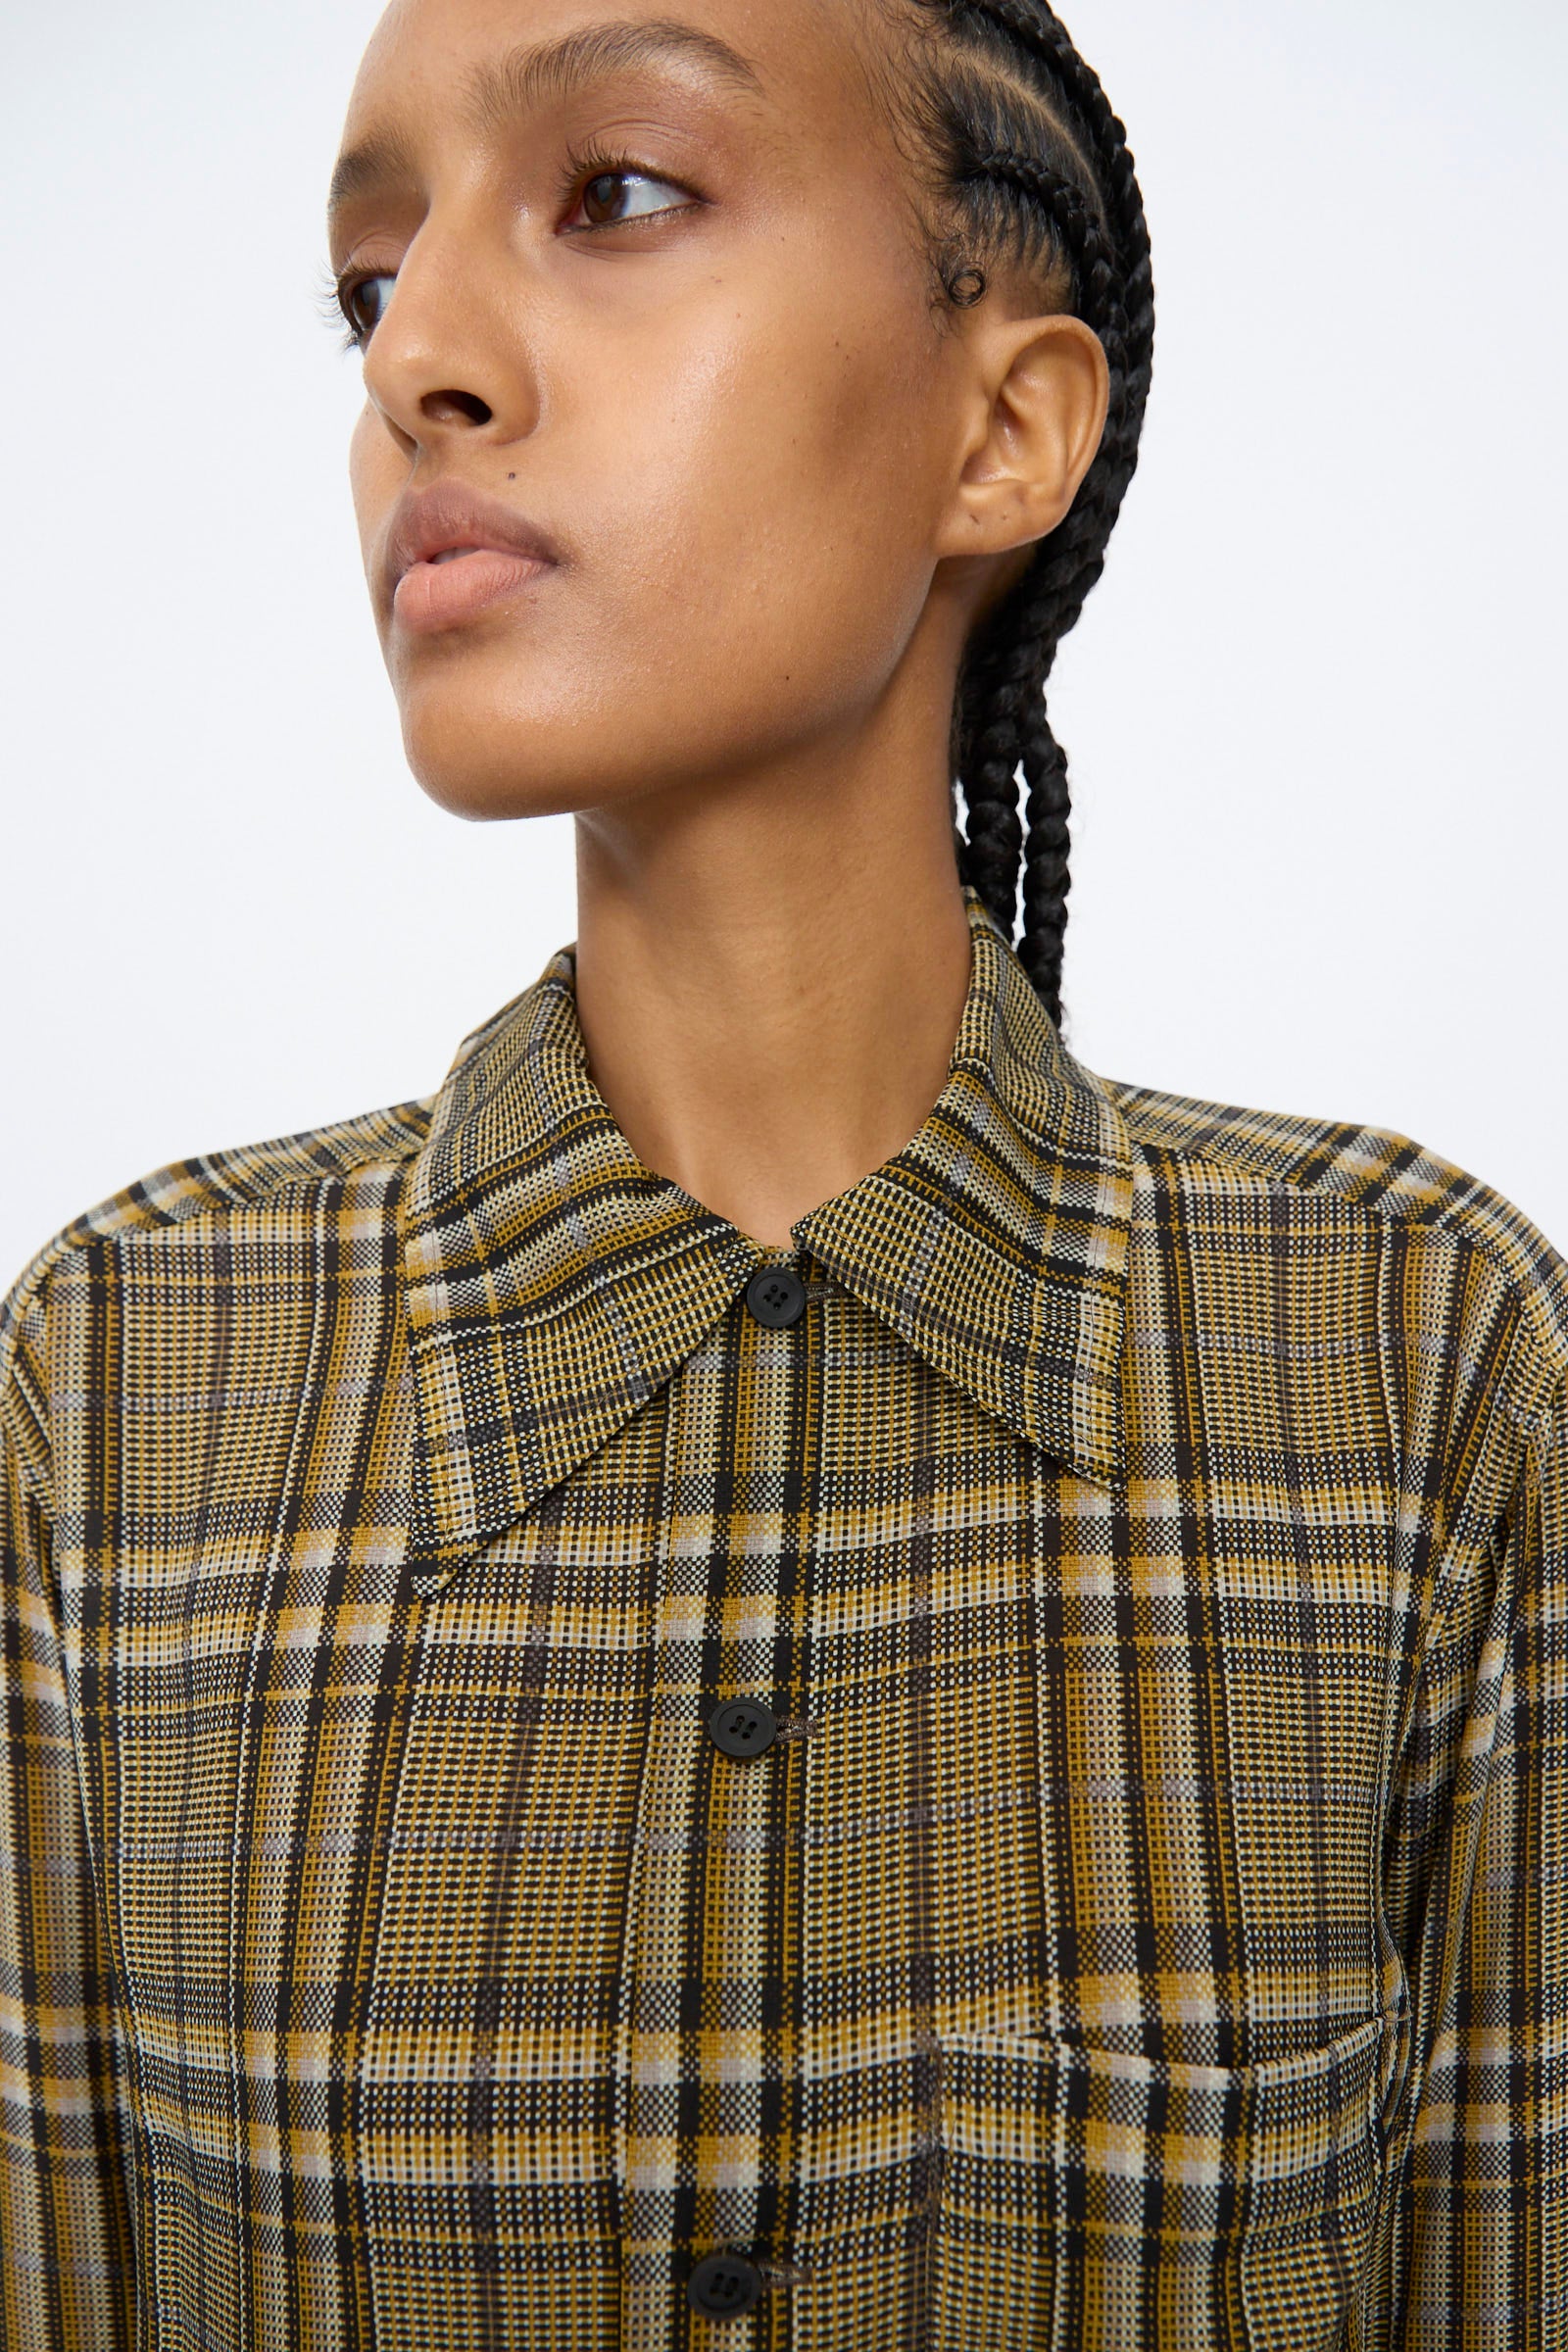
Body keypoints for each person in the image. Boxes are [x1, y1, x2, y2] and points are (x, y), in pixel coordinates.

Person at [1, 0, 1562, 2345]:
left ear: (1001, 426)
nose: (415, 349)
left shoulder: (1421, 1372)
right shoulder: (116, 1393)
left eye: (616, 193)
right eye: (365, 283)